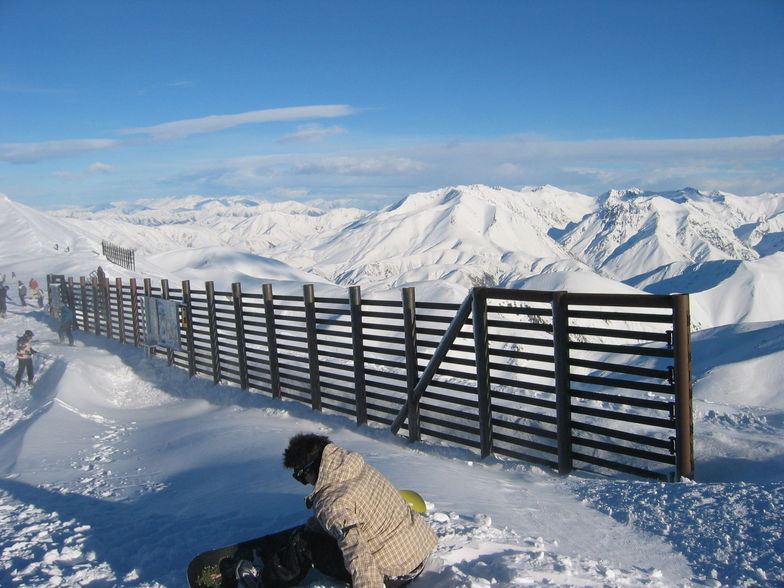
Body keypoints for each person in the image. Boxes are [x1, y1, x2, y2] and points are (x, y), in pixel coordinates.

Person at [234, 433, 437, 588]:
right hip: (418, 553)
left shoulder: (331, 503)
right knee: (315, 529)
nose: (304, 482)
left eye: (300, 476)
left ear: (312, 469)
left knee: (303, 544)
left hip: (393, 573)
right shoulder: (355, 466)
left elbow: (356, 549)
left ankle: (263, 581)